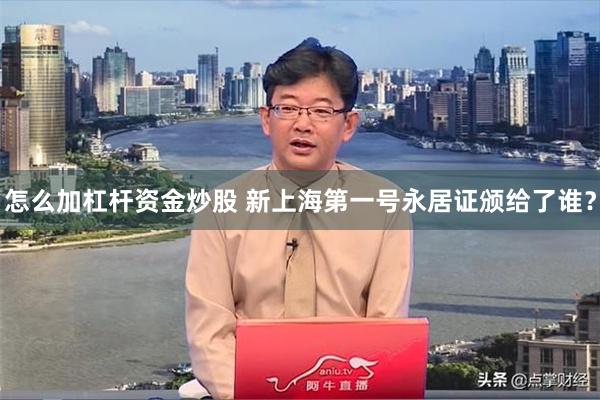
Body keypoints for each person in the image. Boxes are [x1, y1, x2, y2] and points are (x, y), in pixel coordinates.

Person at [183, 37, 413, 399]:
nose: (302, 124)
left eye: (321, 111)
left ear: (349, 124)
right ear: (266, 119)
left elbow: (387, 331)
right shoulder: (221, 208)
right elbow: (210, 336)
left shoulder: (385, 206)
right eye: (288, 109)